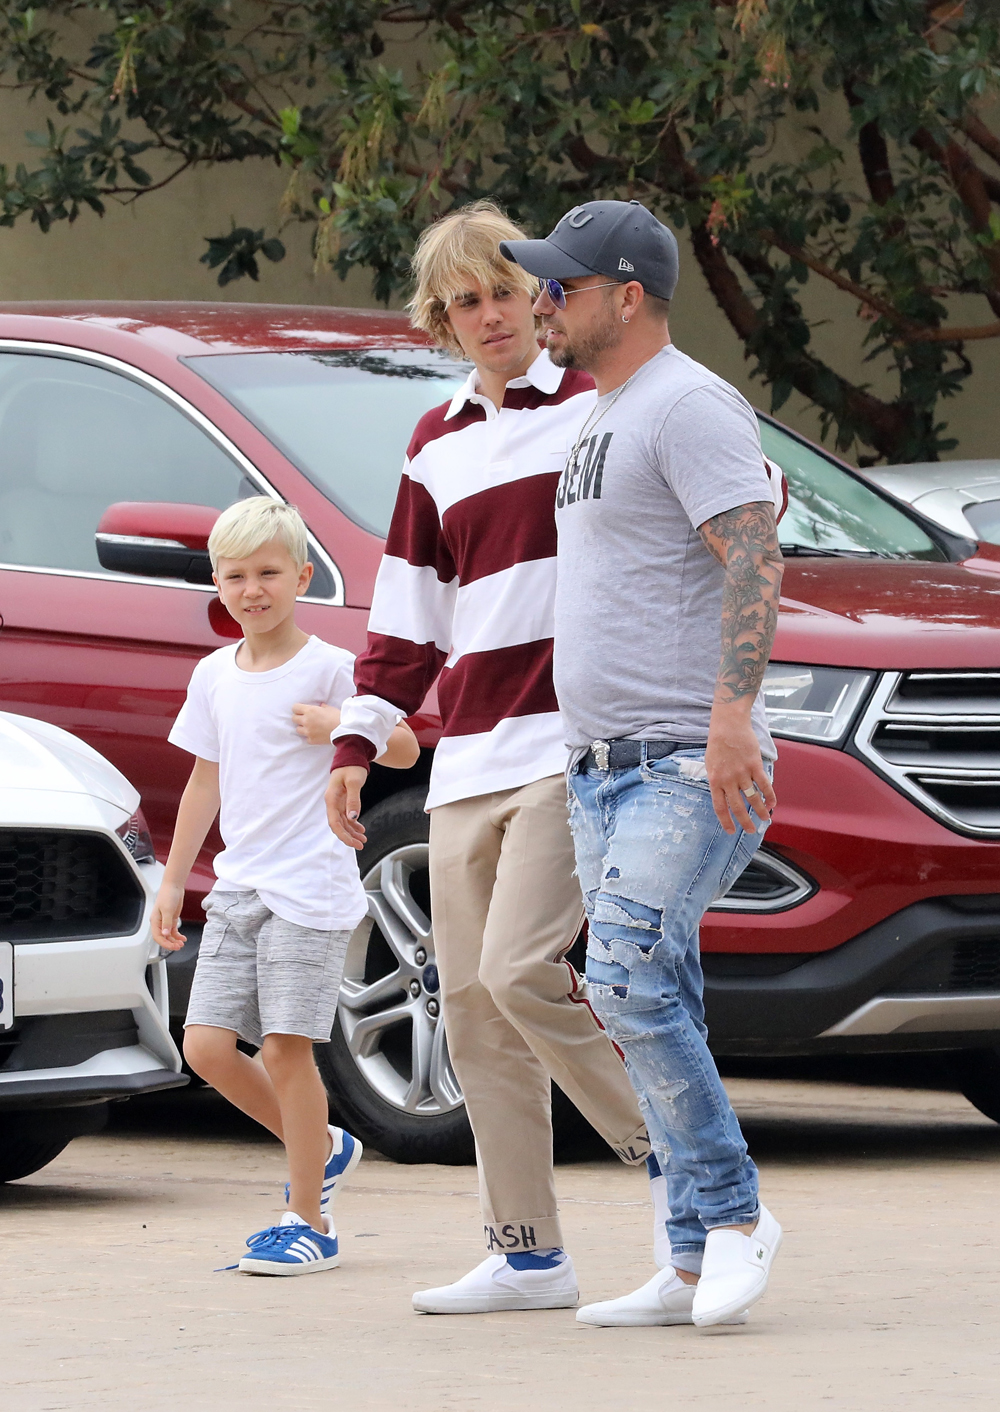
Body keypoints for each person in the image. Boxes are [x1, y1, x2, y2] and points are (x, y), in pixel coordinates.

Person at [326, 200, 653, 1316]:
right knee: (467, 1004)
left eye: (505, 292)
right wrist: (358, 739)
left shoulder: (605, 402)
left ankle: (691, 1172)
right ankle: (527, 1251)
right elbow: (408, 615)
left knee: (522, 971)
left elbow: (729, 490)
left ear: (542, 298)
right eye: (465, 301)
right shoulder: (437, 442)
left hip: (573, 740)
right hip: (466, 756)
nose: (488, 314)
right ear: (444, 321)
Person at [501, 199, 786, 1329]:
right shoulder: (603, 413)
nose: (539, 304)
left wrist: (731, 715)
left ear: (628, 294)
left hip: (682, 756)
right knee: (654, 985)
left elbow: (754, 553)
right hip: (600, 765)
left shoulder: (688, 404)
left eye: (560, 288)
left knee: (617, 972)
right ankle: (681, 1259)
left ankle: (732, 1216)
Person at [151, 497, 418, 1276]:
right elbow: (205, 780)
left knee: (285, 1048)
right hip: (239, 889)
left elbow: (401, 747)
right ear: (217, 584)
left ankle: (309, 1220)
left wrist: (341, 724)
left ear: (302, 576)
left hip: (309, 890)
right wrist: (174, 885)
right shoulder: (212, 675)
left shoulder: (331, 667)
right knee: (204, 1047)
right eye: (235, 576)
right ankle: (323, 1146)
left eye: (269, 572)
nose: (252, 589)